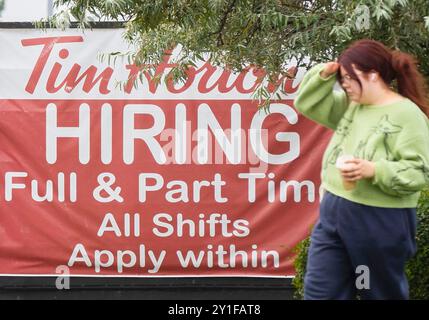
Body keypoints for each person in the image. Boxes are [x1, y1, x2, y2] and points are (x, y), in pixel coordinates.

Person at [294, 39, 429, 300]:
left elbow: (419, 172)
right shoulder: (352, 106)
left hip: (376, 223)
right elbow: (307, 103)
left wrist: (373, 170)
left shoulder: (407, 114)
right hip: (333, 214)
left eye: (347, 78)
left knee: (372, 291)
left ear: (372, 75)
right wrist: (324, 74)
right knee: (320, 292)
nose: (343, 85)